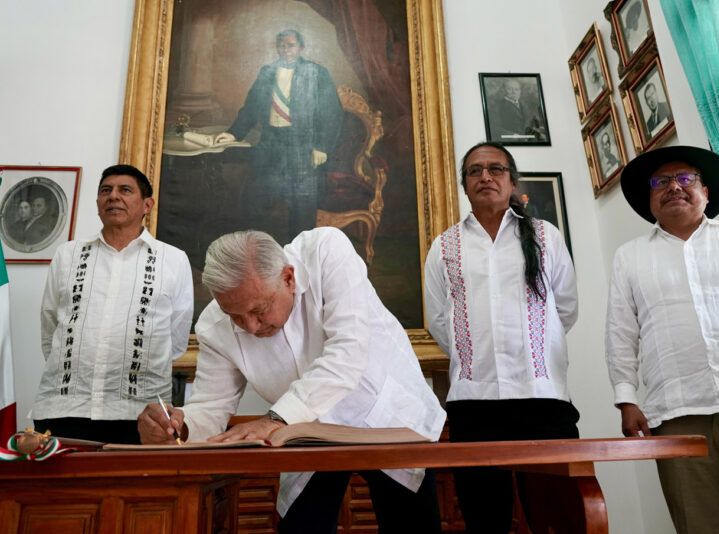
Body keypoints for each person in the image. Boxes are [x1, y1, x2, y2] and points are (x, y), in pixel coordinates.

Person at [138, 227, 446, 534]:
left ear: (288, 277)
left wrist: (273, 419)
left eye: (259, 309)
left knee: (413, 527)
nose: (251, 326)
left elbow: (348, 353)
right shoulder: (214, 325)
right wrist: (179, 426)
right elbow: (210, 408)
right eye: (235, 315)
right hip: (306, 436)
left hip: (384, 418)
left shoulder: (326, 251)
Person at [424, 141, 579, 533]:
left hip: (542, 400)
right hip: (474, 407)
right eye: (475, 171)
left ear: (512, 181)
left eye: (496, 169)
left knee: (556, 518)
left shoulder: (545, 236)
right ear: (464, 185)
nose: (485, 177)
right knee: (484, 520)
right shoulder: (444, 247)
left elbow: (566, 309)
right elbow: (441, 323)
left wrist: (535, 355)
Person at [605, 145, 719, 534]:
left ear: (706, 191)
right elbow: (621, 330)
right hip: (676, 413)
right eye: (661, 182)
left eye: (686, 178)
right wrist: (626, 398)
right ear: (650, 197)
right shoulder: (629, 256)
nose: (674, 187)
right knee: (699, 525)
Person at [30, 164, 193, 444]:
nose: (113, 196)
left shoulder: (173, 260)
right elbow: (51, 327)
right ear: (97, 203)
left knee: (134, 489)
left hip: (141, 416)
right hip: (64, 409)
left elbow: (175, 339)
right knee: (59, 489)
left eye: (125, 190)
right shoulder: (67, 255)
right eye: (106, 191)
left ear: (147, 204)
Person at [213, 29, 344, 242]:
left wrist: (322, 146)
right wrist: (232, 133)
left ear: (300, 47)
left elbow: (332, 113)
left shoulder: (317, 72)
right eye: (281, 45)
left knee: (302, 206)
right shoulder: (267, 72)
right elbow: (251, 107)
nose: (285, 50)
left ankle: (299, 255)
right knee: (255, 196)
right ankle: (258, 251)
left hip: (302, 146)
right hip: (271, 143)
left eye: (290, 45)